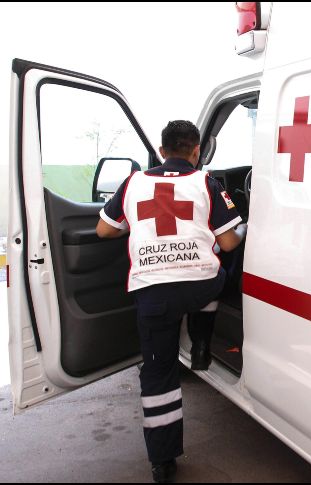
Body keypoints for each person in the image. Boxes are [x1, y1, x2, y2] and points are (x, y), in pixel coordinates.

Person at [95, 120, 247, 483]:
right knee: (219, 272)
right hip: (200, 287)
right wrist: (243, 227)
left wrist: (138, 227)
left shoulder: (134, 182)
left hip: (154, 294)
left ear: (161, 152)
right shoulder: (206, 183)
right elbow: (228, 243)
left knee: (158, 376)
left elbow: (103, 229)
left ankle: (162, 463)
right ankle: (201, 344)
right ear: (197, 151)